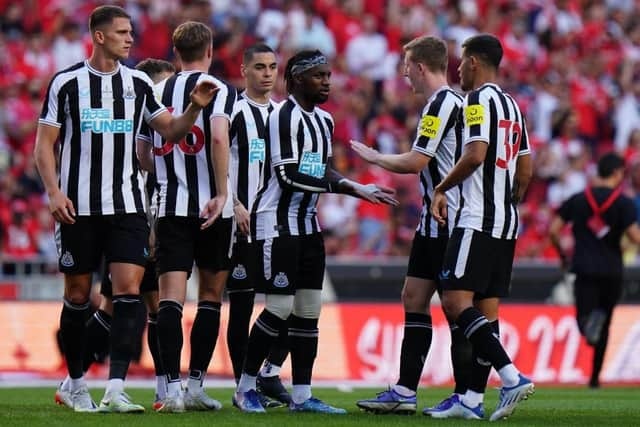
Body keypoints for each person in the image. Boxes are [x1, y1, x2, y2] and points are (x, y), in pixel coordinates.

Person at [34, 5, 217, 413]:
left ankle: (115, 388)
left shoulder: (138, 83)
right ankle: (76, 384)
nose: (130, 38)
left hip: (127, 205)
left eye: (131, 31)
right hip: (77, 206)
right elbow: (44, 145)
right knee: (78, 294)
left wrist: (194, 109)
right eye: (121, 32)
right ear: (99, 36)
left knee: (129, 290)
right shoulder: (66, 84)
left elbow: (169, 130)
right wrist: (52, 191)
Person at [233, 49, 397, 414]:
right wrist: (352, 188)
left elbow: (322, 170)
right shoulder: (281, 118)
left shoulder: (324, 121)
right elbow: (288, 176)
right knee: (277, 307)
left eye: (328, 75)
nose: (327, 82)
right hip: (276, 223)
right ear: (296, 79)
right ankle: (245, 388)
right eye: (318, 76)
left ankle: (303, 396)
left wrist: (354, 185)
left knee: (308, 310)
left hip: (308, 225)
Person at [350, 35, 471, 415]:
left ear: (420, 67)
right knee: (414, 297)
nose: (405, 77)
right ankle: (405, 391)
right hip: (432, 221)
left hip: (448, 220)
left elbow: (417, 162)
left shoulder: (442, 103)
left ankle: (467, 393)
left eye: (406, 69)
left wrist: (375, 158)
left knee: (456, 308)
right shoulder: (453, 103)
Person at [55, 58, 176, 412]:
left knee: (113, 305)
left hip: (133, 218)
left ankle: (73, 381)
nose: (166, 98)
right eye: (162, 89)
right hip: (133, 216)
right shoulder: (140, 124)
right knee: (151, 303)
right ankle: (161, 387)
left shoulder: (159, 124)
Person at [430, 34, 534, 421]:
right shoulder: (513, 106)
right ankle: (472, 399)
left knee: (455, 301)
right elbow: (525, 170)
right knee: (487, 315)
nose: (457, 69)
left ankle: (510, 376)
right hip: (506, 224)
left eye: (460, 61)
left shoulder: (477, 101)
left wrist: (442, 187)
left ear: (474, 61)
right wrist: (506, 200)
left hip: (476, 218)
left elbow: (474, 155)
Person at [135, 21, 236, 413]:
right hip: (214, 209)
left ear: (174, 53)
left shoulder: (156, 90)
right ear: (209, 50)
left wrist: (163, 174)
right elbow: (217, 138)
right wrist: (223, 192)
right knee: (210, 298)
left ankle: (172, 390)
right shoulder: (219, 90)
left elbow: (143, 156)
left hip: (171, 208)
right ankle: (196, 385)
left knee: (169, 302)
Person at [227, 43, 291, 407]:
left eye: (272, 67)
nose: (267, 73)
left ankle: (268, 372)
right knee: (242, 306)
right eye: (260, 67)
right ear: (244, 70)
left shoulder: (285, 115)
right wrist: (234, 203)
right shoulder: (234, 112)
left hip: (279, 224)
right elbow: (219, 161)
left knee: (290, 303)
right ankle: (243, 385)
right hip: (243, 223)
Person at [550, 152, 640, 388]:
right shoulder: (624, 203)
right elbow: (634, 236)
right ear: (618, 173)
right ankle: (594, 379)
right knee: (604, 326)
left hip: (584, 267)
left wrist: (562, 254)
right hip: (612, 270)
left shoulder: (579, 199)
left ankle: (590, 323)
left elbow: (553, 230)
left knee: (584, 320)